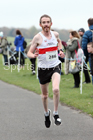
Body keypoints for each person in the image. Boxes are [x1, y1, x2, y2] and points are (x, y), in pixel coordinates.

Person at [27, 14, 65, 128]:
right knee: (44, 95)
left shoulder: (55, 34)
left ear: (51, 24)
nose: (46, 24)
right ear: (40, 25)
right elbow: (29, 52)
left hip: (55, 65)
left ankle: (56, 113)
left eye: (48, 22)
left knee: (56, 89)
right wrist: (33, 55)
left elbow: (59, 41)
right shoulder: (37, 38)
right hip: (43, 69)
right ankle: (46, 113)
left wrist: (60, 50)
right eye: (44, 22)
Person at [82, 18, 93, 83]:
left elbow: (84, 46)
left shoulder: (87, 32)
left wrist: (86, 56)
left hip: (91, 55)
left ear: (88, 24)